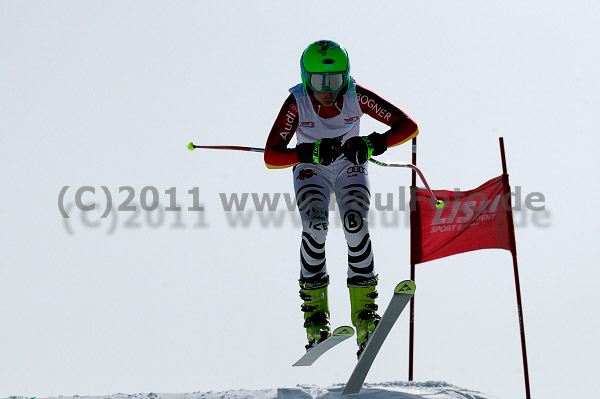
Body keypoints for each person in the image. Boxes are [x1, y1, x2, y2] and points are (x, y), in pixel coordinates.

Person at [264, 40, 418, 357]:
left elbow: (408, 126)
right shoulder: (297, 102)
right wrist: (306, 151)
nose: (327, 89)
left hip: (350, 165)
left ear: (345, 76)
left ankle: (365, 314)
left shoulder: (354, 94)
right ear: (306, 78)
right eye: (319, 80)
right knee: (316, 225)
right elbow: (271, 157)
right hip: (312, 169)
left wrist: (373, 144)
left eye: (334, 80)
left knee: (355, 224)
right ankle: (315, 316)